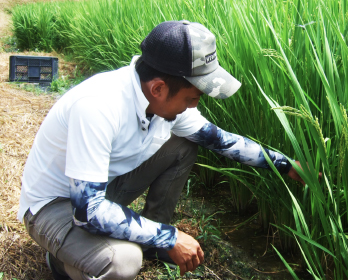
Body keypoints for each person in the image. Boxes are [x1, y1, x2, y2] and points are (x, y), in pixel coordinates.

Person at [18, 20, 305, 280]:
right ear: (158, 89)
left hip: (101, 188)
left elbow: (221, 140)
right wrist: (169, 237)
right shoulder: (99, 106)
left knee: (183, 144)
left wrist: (286, 164)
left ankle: (149, 243)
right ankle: (61, 263)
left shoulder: (164, 99)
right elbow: (88, 212)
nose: (194, 106)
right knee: (123, 262)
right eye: (192, 98)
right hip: (55, 205)